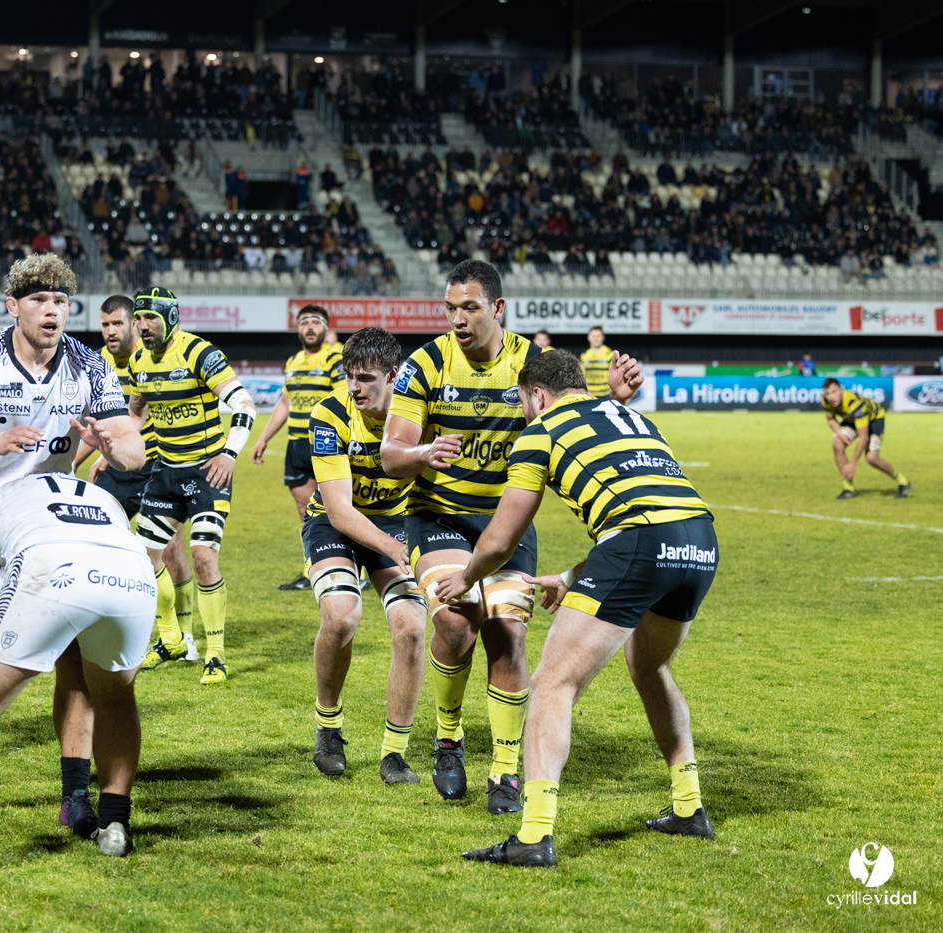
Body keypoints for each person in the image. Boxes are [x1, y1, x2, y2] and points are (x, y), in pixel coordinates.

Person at [380, 259, 642, 811]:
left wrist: (613, 399)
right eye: (450, 308)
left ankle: (504, 771)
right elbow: (390, 454)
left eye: (469, 307)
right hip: (440, 518)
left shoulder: (532, 364)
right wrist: (424, 452)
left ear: (497, 308)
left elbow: (578, 422)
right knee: (455, 622)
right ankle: (448, 740)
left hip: (506, 523)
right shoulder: (424, 365)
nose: (457, 319)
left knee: (508, 634)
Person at [439, 349, 718, 867]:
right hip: (699, 542)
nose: (525, 414)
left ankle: (533, 835)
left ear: (537, 395)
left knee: (551, 683)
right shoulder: (634, 417)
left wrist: (467, 576)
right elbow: (645, 505)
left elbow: (502, 538)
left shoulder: (539, 432)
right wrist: (570, 578)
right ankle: (688, 805)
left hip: (639, 544)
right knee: (650, 666)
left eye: (525, 404)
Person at [0, 252, 144, 839]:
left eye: (61, 302)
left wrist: (108, 442)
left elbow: (133, 450)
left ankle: (74, 793)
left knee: (74, 651)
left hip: (52, 525)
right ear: (12, 307)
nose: (53, 312)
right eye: (40, 301)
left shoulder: (89, 364)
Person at [0, 472, 157, 876]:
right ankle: (114, 825)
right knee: (115, 697)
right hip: (133, 572)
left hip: (53, 566)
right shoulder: (98, 495)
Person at [306, 328, 427, 783]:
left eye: (365, 378)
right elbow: (339, 509)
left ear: (393, 375)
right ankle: (328, 724)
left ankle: (394, 752)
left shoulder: (418, 413)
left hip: (397, 521)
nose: (354, 387)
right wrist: (394, 547)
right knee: (341, 615)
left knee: (413, 627)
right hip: (336, 522)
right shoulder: (330, 413)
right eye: (348, 376)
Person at [127, 287, 257, 684]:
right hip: (165, 472)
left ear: (169, 317)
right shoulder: (138, 362)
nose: (143, 326)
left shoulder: (201, 353)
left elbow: (245, 405)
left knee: (202, 558)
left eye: (150, 318)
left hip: (207, 473)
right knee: (148, 561)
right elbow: (135, 413)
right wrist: (110, 446)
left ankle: (215, 654)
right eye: (139, 319)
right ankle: (171, 640)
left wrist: (229, 454)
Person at [75, 295, 198, 667]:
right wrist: (79, 463)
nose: (111, 332)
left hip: (160, 464)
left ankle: (183, 636)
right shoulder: (98, 364)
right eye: (105, 325)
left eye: (117, 324)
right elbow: (92, 423)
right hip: (119, 467)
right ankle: (114, 620)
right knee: (96, 535)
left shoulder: (157, 357)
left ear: (135, 325)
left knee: (169, 550)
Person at [251, 304, 345, 591]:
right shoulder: (292, 362)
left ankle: (352, 568)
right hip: (295, 445)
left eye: (316, 322)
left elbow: (345, 398)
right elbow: (285, 402)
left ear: (325, 328)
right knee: (306, 511)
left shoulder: (334, 358)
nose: (310, 327)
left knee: (337, 508)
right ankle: (312, 571)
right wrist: (264, 437)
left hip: (325, 443)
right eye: (305, 322)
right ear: (298, 328)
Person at [821, 379, 909, 499]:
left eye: (834, 392)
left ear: (841, 390)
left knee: (871, 458)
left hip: (874, 419)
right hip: (852, 420)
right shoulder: (826, 401)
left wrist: (852, 464)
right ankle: (848, 488)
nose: (831, 397)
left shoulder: (855, 404)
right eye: (827, 393)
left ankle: (902, 481)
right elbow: (831, 419)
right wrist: (839, 434)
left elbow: (863, 437)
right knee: (837, 444)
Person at [579, 326, 614, 397]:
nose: (596, 339)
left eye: (598, 336)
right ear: (588, 337)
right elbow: (581, 376)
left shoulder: (610, 354)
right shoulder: (584, 355)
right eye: (593, 336)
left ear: (603, 338)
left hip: (606, 394)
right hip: (589, 394)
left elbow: (614, 376)